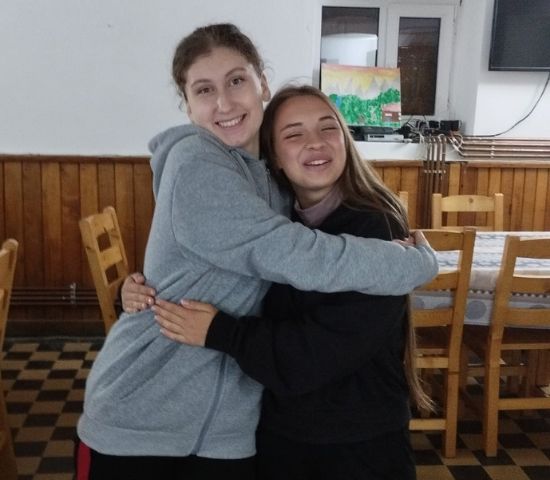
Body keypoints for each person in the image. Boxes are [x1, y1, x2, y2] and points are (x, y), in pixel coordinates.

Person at [75, 23, 437, 480]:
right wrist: (416, 262)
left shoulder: (276, 186)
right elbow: (296, 255)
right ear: (187, 105)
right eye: (204, 89)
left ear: (261, 83)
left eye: (236, 81)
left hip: (232, 428)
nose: (224, 103)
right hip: (144, 418)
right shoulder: (195, 162)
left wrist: (145, 290)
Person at [151, 84, 432, 480]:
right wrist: (140, 290)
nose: (315, 142)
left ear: (345, 141)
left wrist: (221, 332)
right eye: (294, 134)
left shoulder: (377, 225)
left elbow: (318, 353)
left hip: (358, 441)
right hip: (282, 433)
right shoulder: (275, 223)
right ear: (275, 158)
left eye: (328, 128)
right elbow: (213, 278)